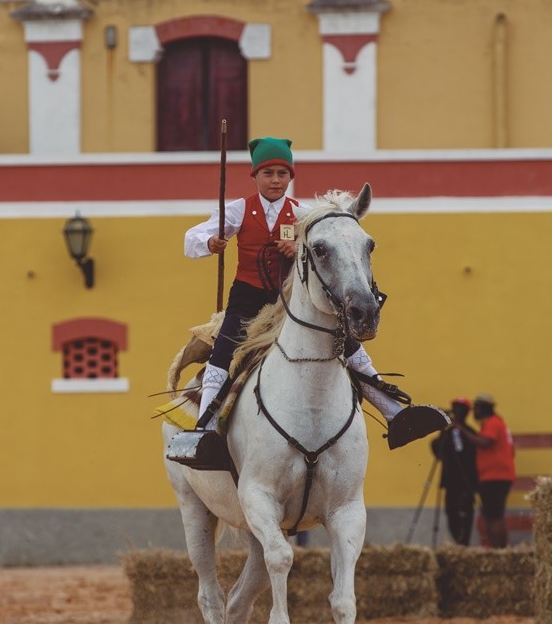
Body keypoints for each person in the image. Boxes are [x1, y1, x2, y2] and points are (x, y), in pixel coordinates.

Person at [171, 136, 443, 468]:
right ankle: (206, 431)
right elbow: (192, 238)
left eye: (282, 174)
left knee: (348, 346)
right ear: (255, 176)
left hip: (289, 303)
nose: (275, 180)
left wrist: (297, 246)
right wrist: (210, 242)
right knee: (221, 356)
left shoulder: (303, 213)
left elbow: (322, 247)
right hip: (247, 300)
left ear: (290, 177)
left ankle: (394, 413)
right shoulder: (239, 209)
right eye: (268, 173)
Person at [460, 393, 516, 549]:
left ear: (483, 408)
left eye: (476, 408)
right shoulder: (499, 424)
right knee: (494, 514)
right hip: (498, 476)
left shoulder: (492, 423)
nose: (474, 412)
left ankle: (500, 550)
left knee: (494, 516)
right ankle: (500, 549)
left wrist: (462, 430)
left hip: (494, 477)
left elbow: (484, 442)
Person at [430, 397, 478, 546]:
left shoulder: (469, 432)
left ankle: (464, 543)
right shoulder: (447, 432)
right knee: (451, 514)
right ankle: (457, 543)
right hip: (450, 481)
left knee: (465, 515)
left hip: (466, 482)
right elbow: (438, 449)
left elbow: (470, 453)